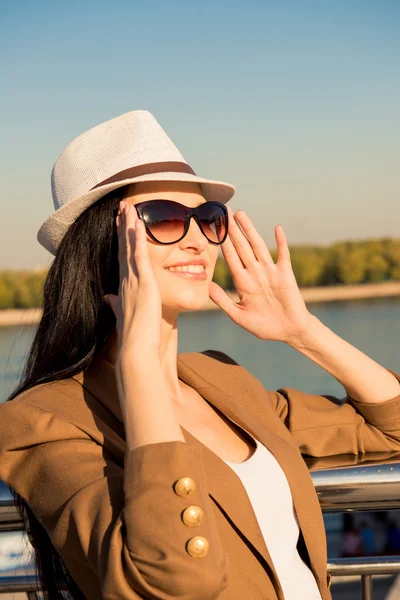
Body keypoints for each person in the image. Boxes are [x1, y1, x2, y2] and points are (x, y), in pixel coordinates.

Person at [0, 109, 399, 600]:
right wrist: (140, 364)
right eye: (165, 218)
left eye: (208, 219)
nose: (197, 239)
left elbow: (391, 429)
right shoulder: (40, 421)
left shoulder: (221, 379)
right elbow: (172, 584)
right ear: (102, 245)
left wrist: (304, 332)